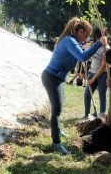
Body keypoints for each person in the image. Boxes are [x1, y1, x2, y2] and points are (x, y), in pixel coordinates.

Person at [41, 17, 107, 155]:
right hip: (51, 77)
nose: (86, 38)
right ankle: (56, 142)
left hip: (57, 78)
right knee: (57, 110)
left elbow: (80, 55)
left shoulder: (73, 41)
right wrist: (99, 43)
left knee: (59, 106)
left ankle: (57, 130)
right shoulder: (69, 41)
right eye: (86, 34)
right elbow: (83, 57)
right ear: (80, 31)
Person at [84, 28, 110, 118]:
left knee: (102, 95)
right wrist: (89, 46)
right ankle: (87, 114)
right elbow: (85, 52)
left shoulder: (106, 48)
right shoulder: (94, 45)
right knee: (87, 94)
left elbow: (103, 66)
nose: (96, 38)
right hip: (92, 71)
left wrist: (94, 78)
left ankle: (102, 115)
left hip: (103, 74)